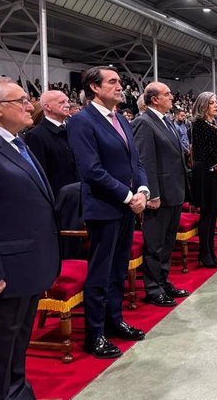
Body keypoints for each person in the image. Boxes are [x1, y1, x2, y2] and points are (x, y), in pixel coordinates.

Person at [0, 76, 60, 400]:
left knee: (16, 346)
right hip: (5, 273)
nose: (31, 106)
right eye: (22, 101)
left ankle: (17, 391)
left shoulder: (15, 141)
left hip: (26, 268)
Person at [67, 66, 149, 359]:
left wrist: (142, 191)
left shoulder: (121, 119)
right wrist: (128, 196)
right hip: (104, 207)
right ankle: (95, 333)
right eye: (112, 82)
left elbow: (136, 162)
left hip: (127, 206)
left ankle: (115, 320)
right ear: (94, 87)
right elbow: (92, 170)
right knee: (100, 272)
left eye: (119, 81)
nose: (119, 86)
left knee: (118, 269)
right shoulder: (82, 121)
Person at [132, 83, 189, 308]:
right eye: (166, 94)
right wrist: (152, 193)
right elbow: (145, 161)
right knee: (154, 245)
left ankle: (163, 282)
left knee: (167, 243)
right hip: (159, 194)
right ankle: (153, 288)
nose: (171, 97)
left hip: (173, 190)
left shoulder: (166, 121)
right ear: (154, 99)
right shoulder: (144, 122)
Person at [190, 92, 217, 267]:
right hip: (206, 173)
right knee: (207, 214)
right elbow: (204, 152)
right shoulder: (199, 125)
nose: (216, 105)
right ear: (202, 106)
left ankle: (211, 252)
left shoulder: (213, 124)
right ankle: (204, 253)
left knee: (214, 212)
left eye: (216, 102)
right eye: (211, 103)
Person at [24, 89, 79, 198]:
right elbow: (39, 174)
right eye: (61, 102)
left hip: (79, 194)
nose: (67, 105)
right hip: (58, 198)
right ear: (48, 107)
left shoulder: (74, 129)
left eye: (67, 101)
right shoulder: (36, 135)